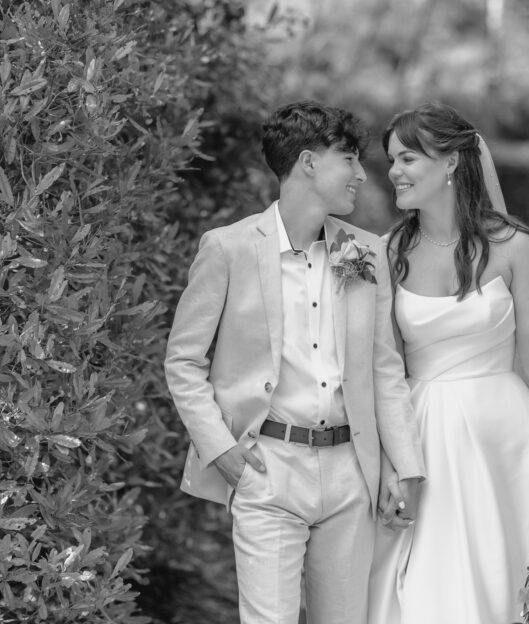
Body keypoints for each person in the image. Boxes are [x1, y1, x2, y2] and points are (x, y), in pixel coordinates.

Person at [164, 100, 426, 624]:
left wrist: (405, 467)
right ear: (308, 162)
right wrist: (220, 450)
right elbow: (183, 361)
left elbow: (383, 369)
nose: (360, 173)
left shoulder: (366, 252)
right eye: (348, 158)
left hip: (352, 473)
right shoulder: (228, 248)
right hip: (268, 469)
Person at [367, 102, 529, 624]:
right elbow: (384, 371)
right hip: (422, 434)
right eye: (391, 160)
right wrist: (387, 463)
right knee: (428, 583)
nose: (393, 172)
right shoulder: (386, 251)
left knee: (515, 572)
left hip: (505, 431)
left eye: (407, 159)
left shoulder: (515, 246)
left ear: (450, 163)